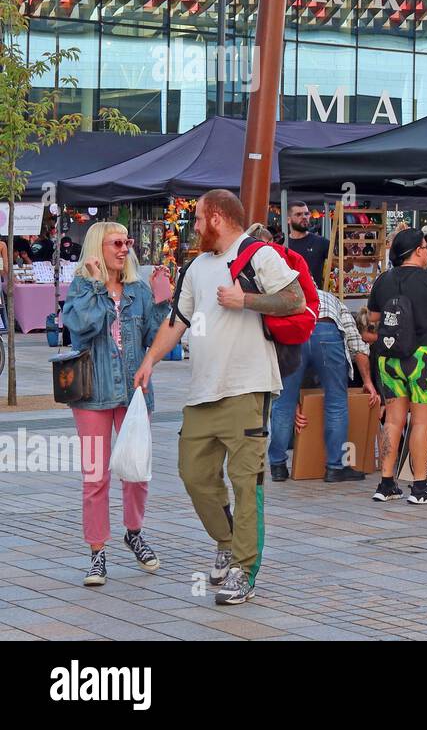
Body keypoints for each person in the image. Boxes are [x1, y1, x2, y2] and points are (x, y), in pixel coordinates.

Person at [134, 189, 305, 607]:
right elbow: (178, 320)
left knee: (248, 484)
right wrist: (150, 360)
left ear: (215, 218)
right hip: (202, 391)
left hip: (248, 388)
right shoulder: (196, 267)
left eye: (196, 219)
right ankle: (226, 540)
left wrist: (245, 299)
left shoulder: (259, 254)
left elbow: (294, 299)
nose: (193, 227)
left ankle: (244, 571)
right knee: (194, 475)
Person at [62, 222, 171, 587]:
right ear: (98, 247)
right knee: (96, 477)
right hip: (92, 394)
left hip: (134, 393)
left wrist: (161, 301)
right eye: (117, 243)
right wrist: (95, 285)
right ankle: (97, 553)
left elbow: (155, 339)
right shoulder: (81, 287)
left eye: (127, 243)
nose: (125, 249)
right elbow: (82, 328)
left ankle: (134, 532)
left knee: (136, 471)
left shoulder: (138, 290)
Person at [263, 223, 379, 485]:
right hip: (327, 329)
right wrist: (368, 382)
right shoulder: (328, 297)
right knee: (336, 400)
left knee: (283, 402)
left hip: (295, 333)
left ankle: (278, 465)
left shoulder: (279, 299)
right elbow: (355, 342)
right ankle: (335, 467)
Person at [366, 228, 427, 505]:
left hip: (389, 357)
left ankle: (386, 483)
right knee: (421, 422)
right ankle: (419, 486)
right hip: (423, 357)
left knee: (393, 421)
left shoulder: (384, 280)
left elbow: (373, 316)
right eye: (426, 247)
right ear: (418, 250)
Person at [284, 201, 329, 288]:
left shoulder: (321, 242)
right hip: (290, 298)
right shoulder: (282, 244)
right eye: (298, 214)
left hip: (315, 297)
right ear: (288, 219)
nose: (304, 217)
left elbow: (340, 264)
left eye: (306, 213)